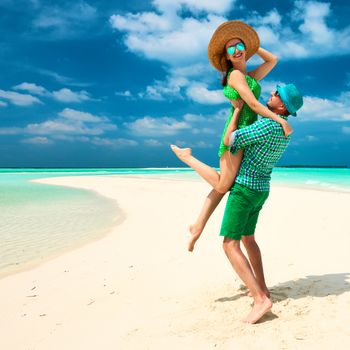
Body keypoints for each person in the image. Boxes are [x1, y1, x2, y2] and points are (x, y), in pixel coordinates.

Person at [170, 20, 292, 251]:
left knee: (224, 185)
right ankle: (187, 158)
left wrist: (251, 46)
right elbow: (254, 104)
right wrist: (279, 120)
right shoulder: (236, 75)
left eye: (239, 46)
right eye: (231, 48)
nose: (236, 51)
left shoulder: (250, 77)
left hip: (246, 133)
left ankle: (197, 226)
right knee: (224, 184)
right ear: (226, 56)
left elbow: (273, 60)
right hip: (236, 132)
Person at [221, 83, 303, 324]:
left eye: (277, 94)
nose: (272, 93)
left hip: (245, 188)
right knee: (248, 238)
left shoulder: (268, 125)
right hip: (261, 189)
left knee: (229, 244)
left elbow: (230, 140)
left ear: (282, 106)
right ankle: (263, 288)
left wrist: (236, 111)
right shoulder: (283, 130)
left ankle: (260, 298)